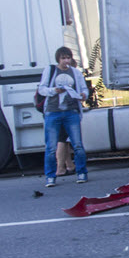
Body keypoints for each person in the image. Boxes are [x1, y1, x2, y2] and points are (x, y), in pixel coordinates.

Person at [39, 47, 89, 186]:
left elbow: (83, 88)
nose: (66, 61)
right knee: (51, 146)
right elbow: (42, 89)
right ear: (58, 59)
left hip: (71, 111)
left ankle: (81, 172)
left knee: (77, 144)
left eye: (68, 58)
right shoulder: (50, 70)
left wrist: (84, 95)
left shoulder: (75, 73)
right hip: (53, 111)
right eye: (63, 58)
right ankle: (50, 176)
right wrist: (54, 90)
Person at [55, 58, 79, 176]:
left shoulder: (57, 77)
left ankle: (69, 165)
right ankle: (60, 168)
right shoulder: (65, 81)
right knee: (62, 140)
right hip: (62, 112)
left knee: (65, 140)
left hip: (56, 112)